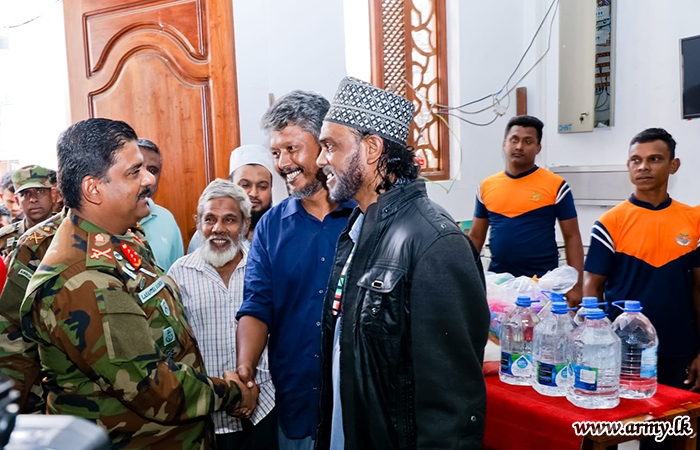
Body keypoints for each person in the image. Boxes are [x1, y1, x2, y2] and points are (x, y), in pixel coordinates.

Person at [19, 118, 255, 449]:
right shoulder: (83, 278)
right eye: (134, 172)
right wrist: (232, 394)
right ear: (93, 188)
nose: (149, 179)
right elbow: (151, 387)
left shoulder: (122, 240)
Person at [315, 77, 490, 449]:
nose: (320, 160)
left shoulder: (435, 243)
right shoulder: (356, 232)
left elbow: (451, 406)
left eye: (330, 146)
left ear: (371, 149)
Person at [236, 90, 355, 450]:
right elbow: (257, 304)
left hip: (355, 401)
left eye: (291, 149)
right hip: (296, 400)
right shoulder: (270, 227)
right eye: (276, 153)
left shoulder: (364, 217)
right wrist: (245, 368)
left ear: (324, 147)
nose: (282, 163)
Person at [584, 128, 700, 393]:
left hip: (680, 348)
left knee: (680, 419)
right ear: (628, 166)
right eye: (636, 160)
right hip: (625, 351)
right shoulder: (609, 223)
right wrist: (596, 348)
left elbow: (699, 289)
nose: (643, 167)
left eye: (654, 159)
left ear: (673, 165)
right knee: (626, 417)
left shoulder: (694, 220)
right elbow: (592, 288)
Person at [169, 179, 277, 450]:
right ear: (198, 223)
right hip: (205, 415)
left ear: (246, 224)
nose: (218, 229)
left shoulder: (266, 267)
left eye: (229, 220)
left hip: (265, 406)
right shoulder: (178, 274)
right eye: (210, 219)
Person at [468, 115, 584, 307]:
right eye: (514, 140)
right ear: (505, 144)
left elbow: (572, 236)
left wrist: (576, 286)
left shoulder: (556, 185)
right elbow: (475, 237)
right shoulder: (486, 186)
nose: (519, 146)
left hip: (544, 285)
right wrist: (464, 278)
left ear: (538, 148)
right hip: (500, 286)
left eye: (528, 141)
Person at [0, 210, 66, 413]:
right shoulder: (34, 243)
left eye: (39, 193)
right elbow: (11, 323)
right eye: (25, 195)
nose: (33, 200)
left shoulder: (132, 235)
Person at [187, 144, 276, 252]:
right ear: (231, 185)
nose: (253, 193)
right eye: (245, 185)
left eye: (262, 186)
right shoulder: (207, 235)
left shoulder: (282, 230)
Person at [137, 138, 184, 271]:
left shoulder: (166, 219)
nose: (148, 178)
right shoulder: (105, 219)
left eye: (152, 170)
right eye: (137, 169)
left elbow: (177, 275)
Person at [0, 165, 56, 259]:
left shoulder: (69, 231)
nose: (33, 199)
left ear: (53, 194)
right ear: (17, 201)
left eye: (40, 191)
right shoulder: (4, 237)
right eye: (26, 194)